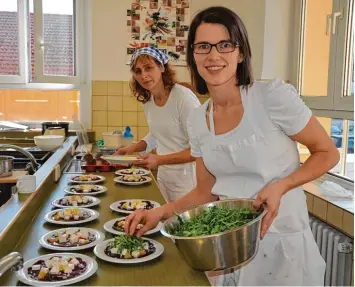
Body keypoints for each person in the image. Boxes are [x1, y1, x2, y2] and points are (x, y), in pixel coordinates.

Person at [124, 6, 340, 286]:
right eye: (203, 46)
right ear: (193, 57)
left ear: (240, 53)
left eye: (224, 45)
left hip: (281, 246)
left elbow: (328, 152)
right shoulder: (199, 121)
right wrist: (159, 213)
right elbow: (205, 191)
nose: (213, 55)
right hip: (228, 252)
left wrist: (282, 185)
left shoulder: (271, 97)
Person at [116, 46, 201, 202]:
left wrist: (159, 160)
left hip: (188, 182)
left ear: (161, 67)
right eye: (138, 71)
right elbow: (157, 134)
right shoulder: (149, 102)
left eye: (149, 68)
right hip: (164, 178)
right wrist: (132, 148)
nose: (144, 75)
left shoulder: (183, 98)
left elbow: (199, 149)